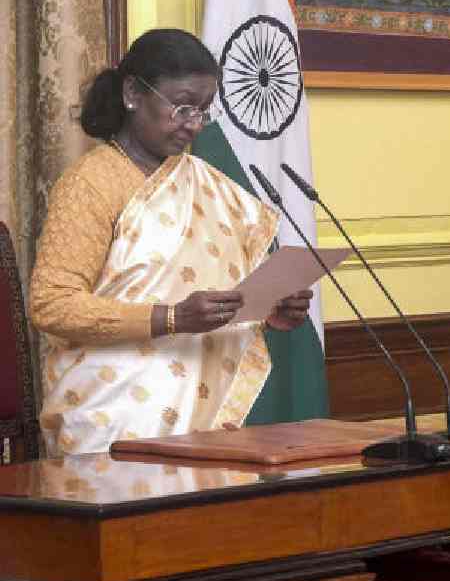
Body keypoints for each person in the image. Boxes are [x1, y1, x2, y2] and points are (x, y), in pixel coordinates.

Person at [30, 29, 312, 457]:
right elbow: (52, 303)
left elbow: (214, 284)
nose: (194, 124)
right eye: (182, 107)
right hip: (113, 415)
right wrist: (172, 318)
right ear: (132, 93)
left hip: (197, 406)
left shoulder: (205, 184)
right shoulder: (92, 182)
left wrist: (270, 305)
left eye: (202, 110)